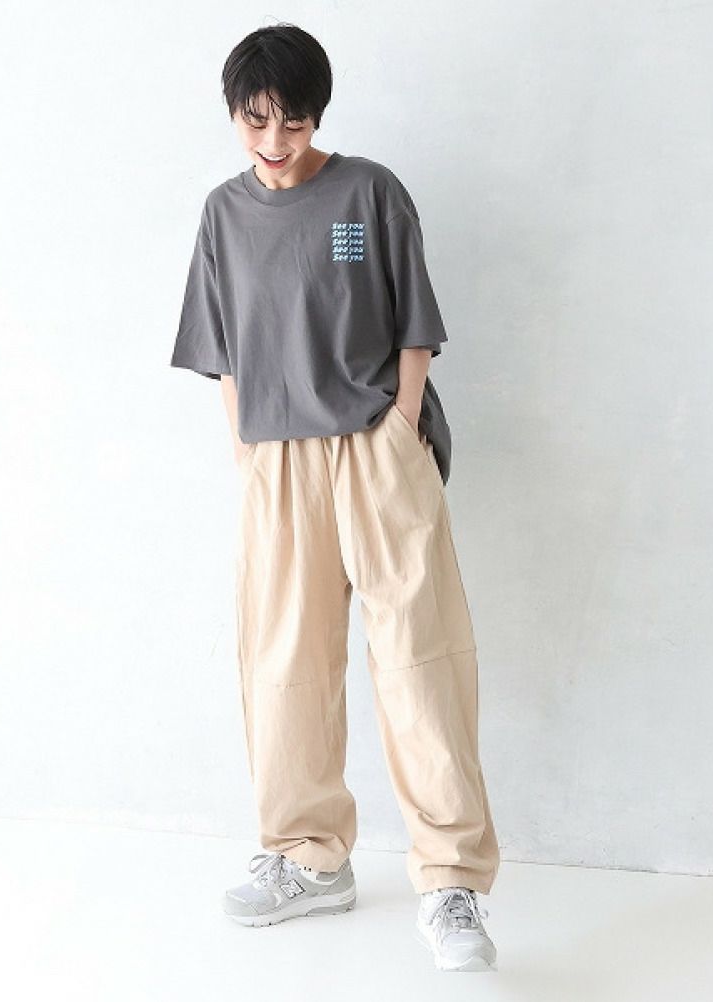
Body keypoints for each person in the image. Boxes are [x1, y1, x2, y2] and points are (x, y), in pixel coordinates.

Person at [169, 23, 500, 973]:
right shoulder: (223, 215)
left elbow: (414, 324)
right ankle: (309, 858)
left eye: (295, 120)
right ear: (235, 115)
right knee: (284, 663)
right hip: (276, 460)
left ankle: (452, 885)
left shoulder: (367, 193)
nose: (276, 139)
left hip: (376, 448)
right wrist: (246, 449)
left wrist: (399, 427)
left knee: (420, 659)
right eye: (257, 120)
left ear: (319, 115)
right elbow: (222, 347)